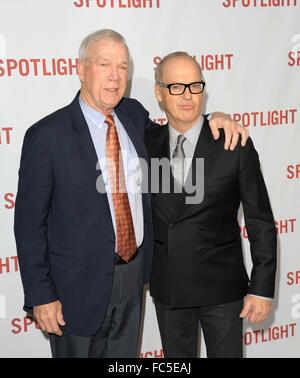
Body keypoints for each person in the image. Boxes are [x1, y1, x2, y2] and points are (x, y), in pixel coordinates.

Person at [14, 29, 248, 358]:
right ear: (80, 69)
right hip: (75, 291)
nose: (115, 76)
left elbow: (173, 137)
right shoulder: (46, 136)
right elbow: (29, 226)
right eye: (105, 64)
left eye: (123, 67)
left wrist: (212, 119)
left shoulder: (133, 114)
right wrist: (41, 295)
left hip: (134, 277)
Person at [146, 52, 277, 358]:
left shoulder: (233, 143)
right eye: (177, 87)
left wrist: (261, 287)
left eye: (195, 85)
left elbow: (260, 220)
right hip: (170, 287)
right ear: (159, 93)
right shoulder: (145, 141)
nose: (188, 96)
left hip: (223, 290)